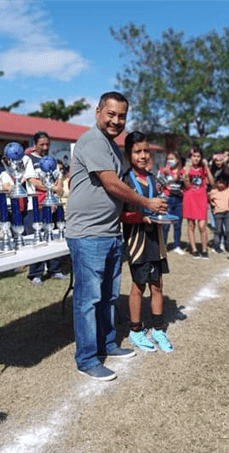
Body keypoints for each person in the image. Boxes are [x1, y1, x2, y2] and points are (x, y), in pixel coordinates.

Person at [66, 91, 167, 381]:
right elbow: (111, 184)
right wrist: (146, 203)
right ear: (98, 112)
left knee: (108, 297)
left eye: (121, 116)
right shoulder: (93, 141)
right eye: (110, 114)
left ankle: (108, 344)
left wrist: (145, 208)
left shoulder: (111, 145)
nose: (116, 120)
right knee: (88, 299)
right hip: (88, 234)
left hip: (110, 232)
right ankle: (86, 358)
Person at [120, 132, 174, 353]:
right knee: (138, 285)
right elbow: (120, 215)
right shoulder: (124, 180)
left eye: (145, 151)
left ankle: (159, 328)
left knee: (157, 284)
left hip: (155, 239)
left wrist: (162, 211)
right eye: (137, 151)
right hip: (137, 241)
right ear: (129, 154)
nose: (143, 156)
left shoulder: (153, 178)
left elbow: (159, 205)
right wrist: (142, 217)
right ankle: (135, 330)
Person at [22, 131, 67, 286]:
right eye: (42, 144)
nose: (45, 147)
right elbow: (33, 181)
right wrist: (52, 189)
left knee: (54, 237)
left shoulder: (52, 160)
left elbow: (59, 178)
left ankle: (55, 269)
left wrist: (57, 190)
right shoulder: (28, 159)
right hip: (35, 205)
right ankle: (35, 273)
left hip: (53, 205)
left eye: (47, 144)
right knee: (37, 240)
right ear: (35, 144)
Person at [182, 147, 214, 259]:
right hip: (190, 197)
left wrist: (207, 167)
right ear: (191, 157)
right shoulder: (187, 168)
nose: (196, 158)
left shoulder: (203, 168)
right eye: (194, 156)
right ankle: (194, 249)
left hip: (201, 198)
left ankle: (205, 249)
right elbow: (186, 185)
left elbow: (211, 182)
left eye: (198, 156)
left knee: (202, 226)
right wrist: (186, 171)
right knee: (191, 225)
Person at [159, 152, 185, 255]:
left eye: (172, 159)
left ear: (177, 160)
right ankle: (163, 245)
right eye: (168, 159)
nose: (170, 161)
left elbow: (181, 182)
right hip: (167, 198)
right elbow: (159, 183)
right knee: (166, 225)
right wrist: (165, 173)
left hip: (178, 199)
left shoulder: (182, 171)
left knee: (178, 224)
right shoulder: (162, 171)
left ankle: (177, 245)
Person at [208, 175, 229, 257]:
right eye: (219, 183)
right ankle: (216, 246)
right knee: (218, 231)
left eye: (223, 183)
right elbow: (209, 199)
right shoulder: (213, 191)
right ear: (216, 183)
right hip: (218, 214)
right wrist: (213, 206)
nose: (221, 185)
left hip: (227, 213)